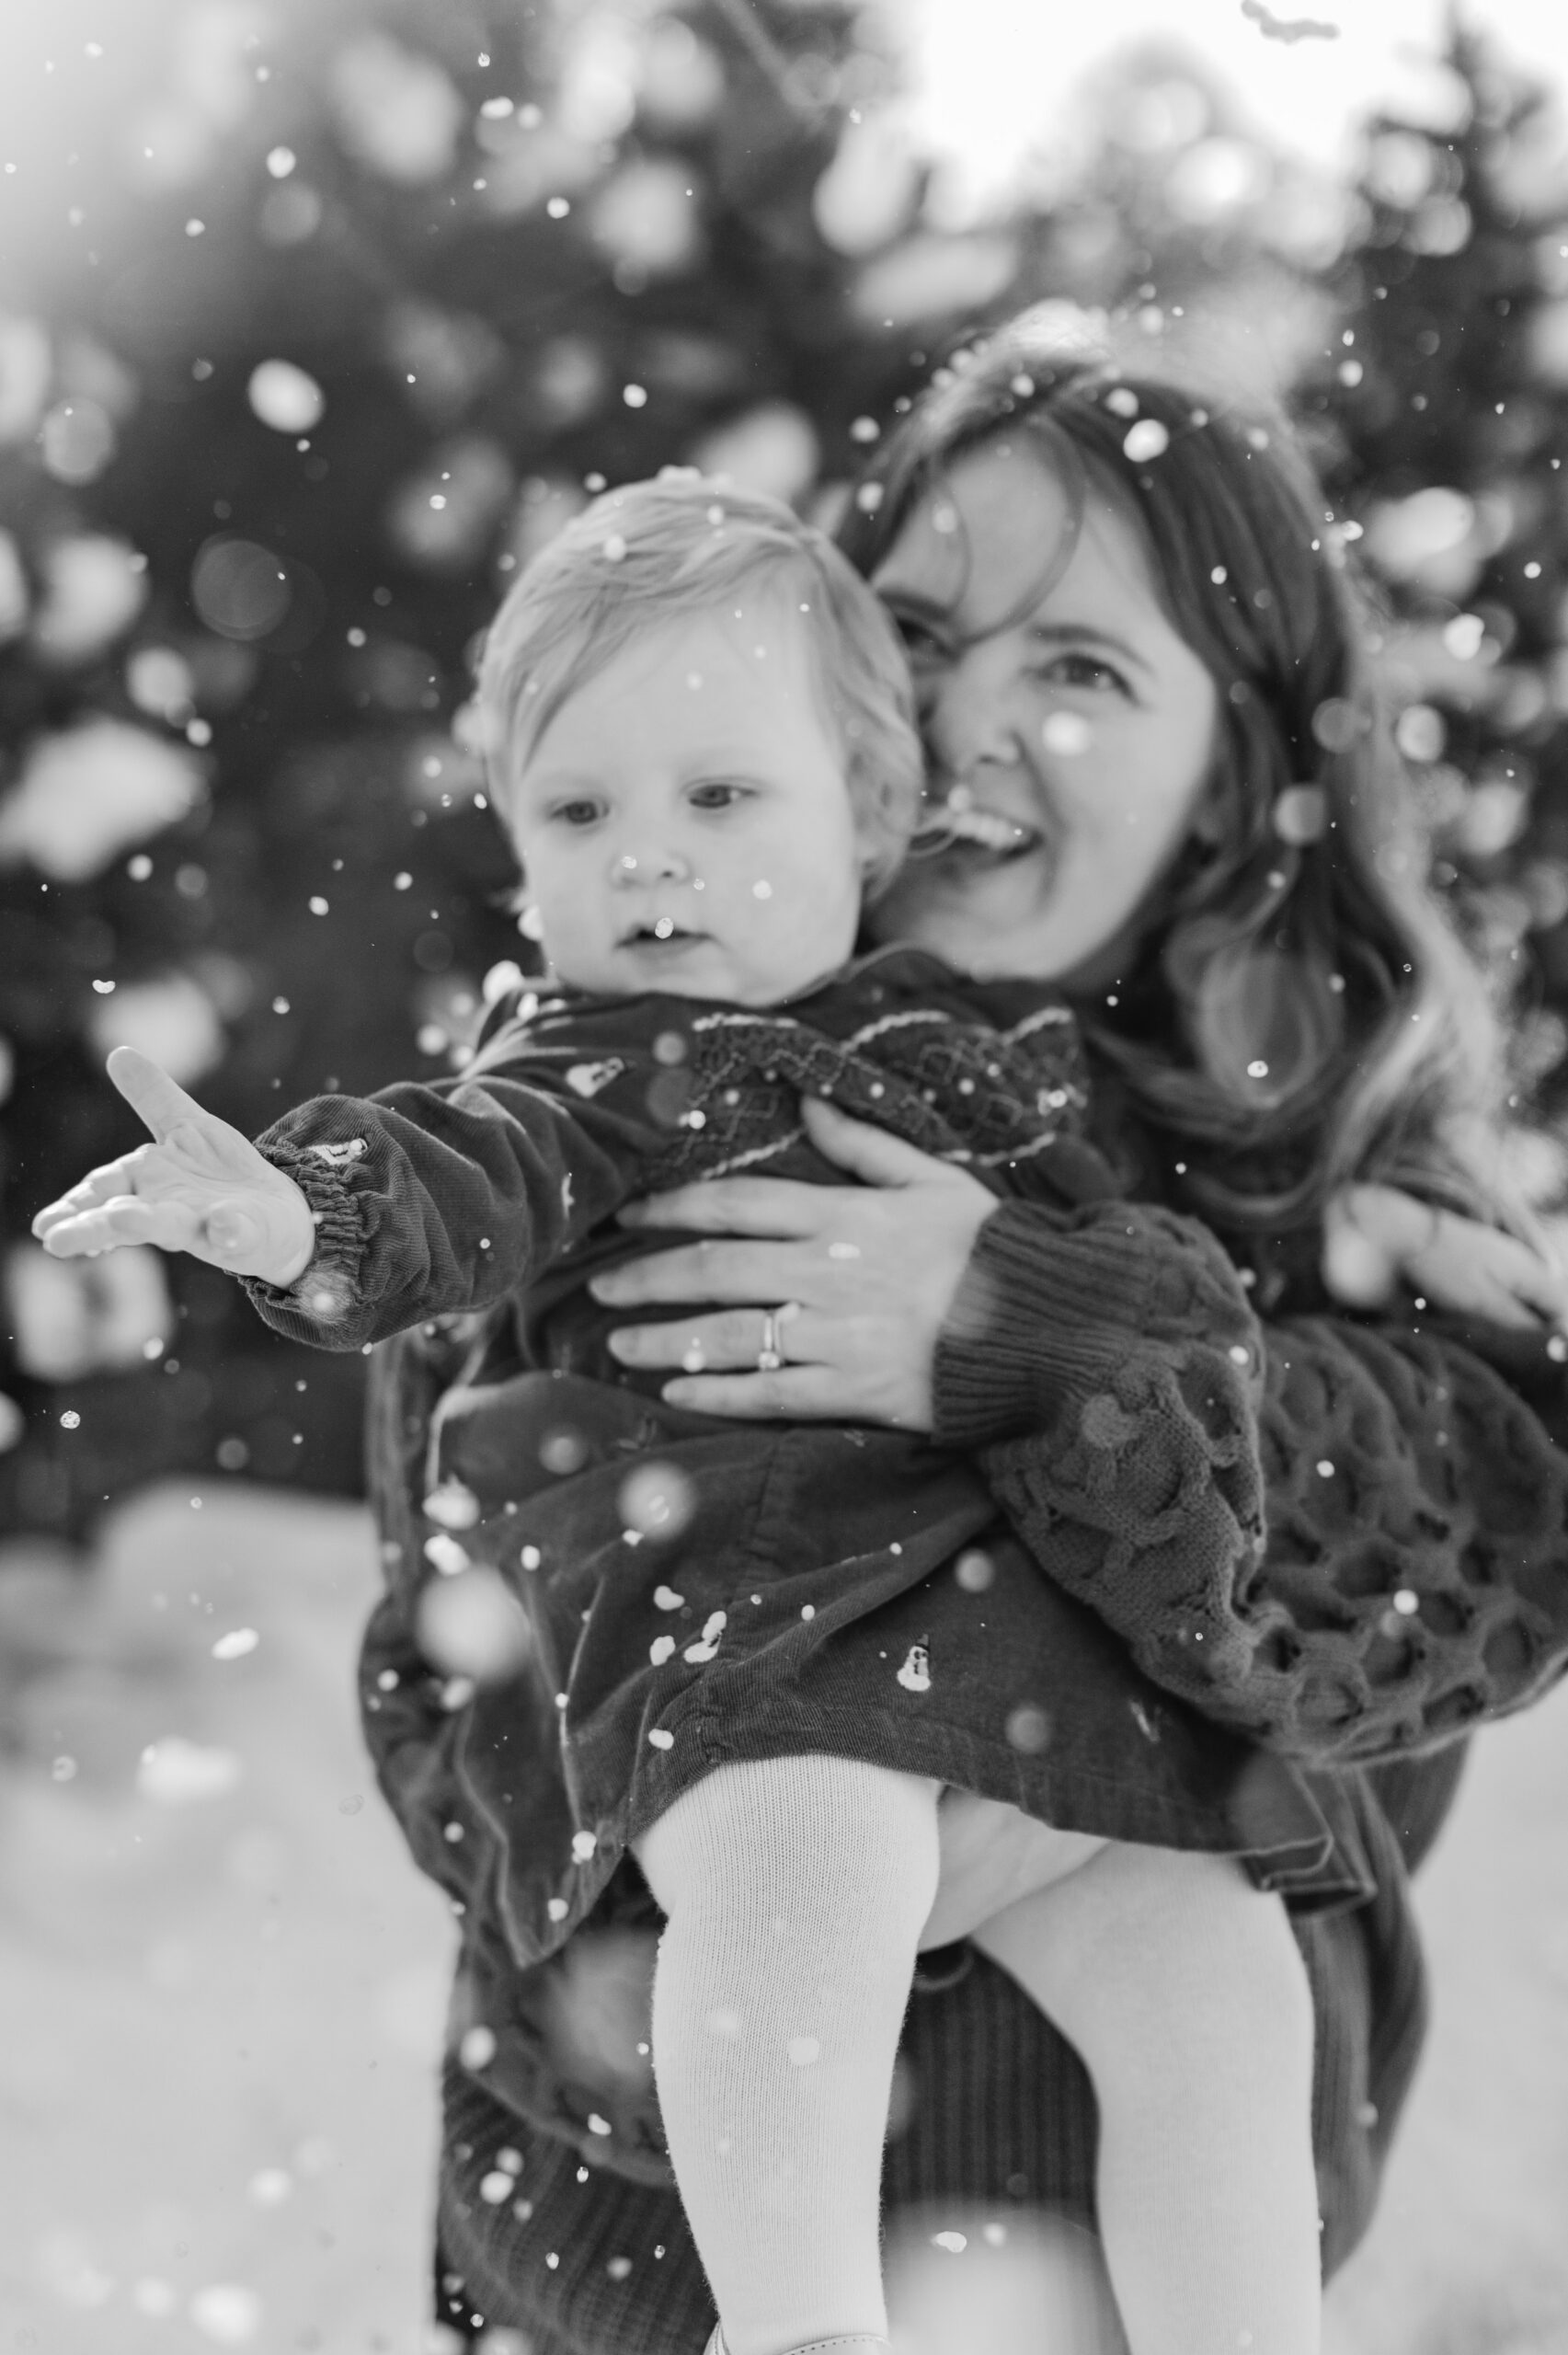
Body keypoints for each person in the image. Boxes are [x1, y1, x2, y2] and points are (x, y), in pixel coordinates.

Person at [37, 334, 1568, 2353]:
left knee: (1207, 1977)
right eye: (922, 629)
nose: (966, 718)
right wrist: (715, 1790)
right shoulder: (599, 1090)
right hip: (643, 2263)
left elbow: (1459, 1563)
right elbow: (452, 1669)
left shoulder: (1338, 1193)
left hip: (1093, 2286)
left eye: (1084, 669)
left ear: (1247, 764)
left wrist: (1018, 1324)